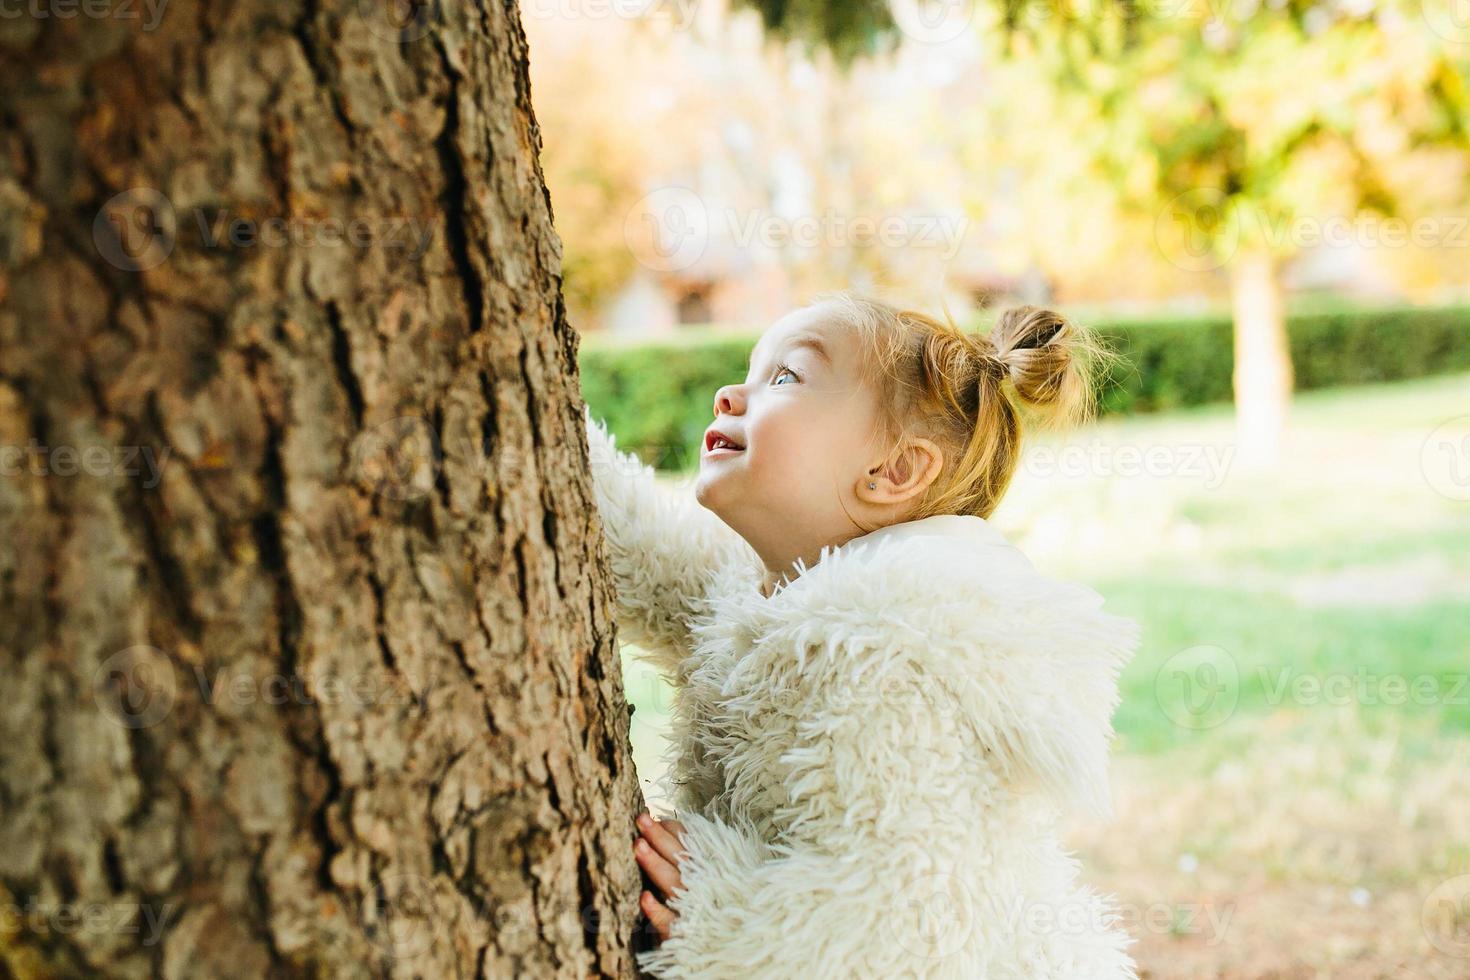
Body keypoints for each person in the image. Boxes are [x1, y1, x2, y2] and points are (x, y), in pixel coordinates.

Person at [586, 291, 1140, 978]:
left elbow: (911, 916)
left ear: (894, 472)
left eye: (785, 377)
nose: (731, 393)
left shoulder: (891, 653)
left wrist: (723, 909)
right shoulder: (765, 582)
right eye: (751, 369)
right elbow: (644, 549)